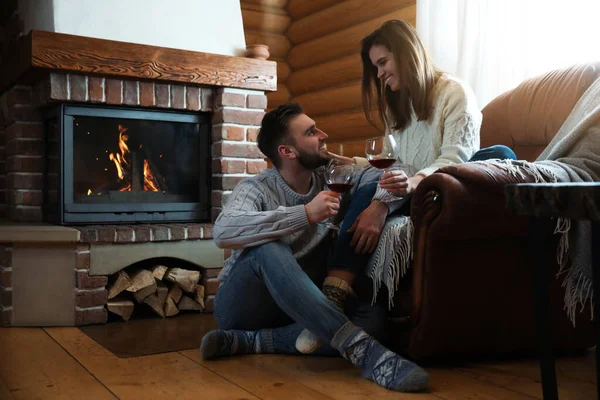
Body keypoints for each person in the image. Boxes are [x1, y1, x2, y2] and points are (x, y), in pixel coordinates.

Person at [296, 19, 517, 352]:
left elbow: (455, 161)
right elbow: (390, 160)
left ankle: (331, 301)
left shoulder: (454, 93)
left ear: (407, 52)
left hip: (442, 185)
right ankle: (336, 296)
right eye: (376, 68)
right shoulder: (397, 107)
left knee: (498, 155)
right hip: (410, 185)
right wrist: (349, 163)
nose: (380, 74)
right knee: (369, 180)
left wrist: (383, 201)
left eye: (383, 63)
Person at [200, 103, 430, 393]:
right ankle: (363, 352)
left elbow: (395, 174)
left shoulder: (333, 177)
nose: (323, 134)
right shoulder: (256, 188)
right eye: (311, 132)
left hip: (302, 307)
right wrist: (305, 214)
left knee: (374, 320)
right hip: (245, 306)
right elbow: (223, 231)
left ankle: (251, 341)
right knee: (267, 249)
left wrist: (380, 204)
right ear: (287, 151)